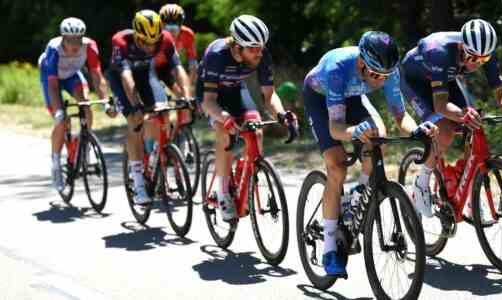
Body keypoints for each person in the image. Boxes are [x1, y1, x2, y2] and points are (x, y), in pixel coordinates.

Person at [303, 31, 437, 278]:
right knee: (337, 165)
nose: (379, 81)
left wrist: (418, 129)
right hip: (321, 99)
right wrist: (354, 130)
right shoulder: (338, 68)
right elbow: (336, 128)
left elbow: (400, 116)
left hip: (353, 97)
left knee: (380, 139)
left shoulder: (388, 70)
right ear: (361, 63)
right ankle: (331, 248)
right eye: (375, 75)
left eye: (384, 77)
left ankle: (360, 193)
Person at [400, 19, 502, 218]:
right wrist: (462, 114)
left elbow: (501, 93)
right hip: (415, 81)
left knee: (474, 124)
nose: (476, 64)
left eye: (482, 60)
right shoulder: (441, 53)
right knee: (444, 130)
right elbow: (440, 105)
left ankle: (469, 189)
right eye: (473, 58)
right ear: (462, 46)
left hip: (446, 78)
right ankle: (421, 183)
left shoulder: (484, 52)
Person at [197, 15, 298, 223]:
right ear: (237, 46)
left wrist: (282, 115)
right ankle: (224, 192)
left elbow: (269, 95)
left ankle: (247, 175)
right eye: (253, 49)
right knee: (225, 132)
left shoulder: (261, 54)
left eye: (261, 47)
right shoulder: (217, 55)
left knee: (256, 130)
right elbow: (208, 101)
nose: (259, 53)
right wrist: (224, 118)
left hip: (235, 88)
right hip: (212, 95)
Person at [108, 9, 192, 205]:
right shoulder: (121, 41)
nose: (150, 46)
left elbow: (178, 69)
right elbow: (127, 79)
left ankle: (157, 157)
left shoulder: (165, 39)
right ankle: (137, 181)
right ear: (136, 35)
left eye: (154, 42)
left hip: (146, 75)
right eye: (145, 42)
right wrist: (136, 106)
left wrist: (187, 96)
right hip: (121, 79)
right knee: (135, 119)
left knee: (164, 113)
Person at [38, 17, 110, 192]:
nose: (75, 44)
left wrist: (106, 102)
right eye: (70, 40)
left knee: (86, 104)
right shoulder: (53, 49)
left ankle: (85, 144)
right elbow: (53, 86)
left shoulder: (89, 46)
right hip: (51, 78)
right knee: (61, 120)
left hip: (72, 76)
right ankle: (55, 163)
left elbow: (97, 75)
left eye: (78, 39)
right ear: (63, 38)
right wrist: (58, 112)